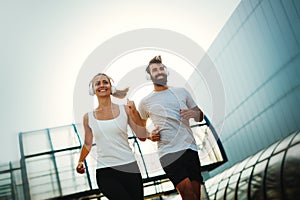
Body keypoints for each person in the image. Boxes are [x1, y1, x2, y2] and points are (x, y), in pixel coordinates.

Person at [138, 55, 204, 200]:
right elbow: (141, 132)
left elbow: (200, 116)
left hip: (190, 148)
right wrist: (150, 135)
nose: (159, 71)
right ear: (149, 76)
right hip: (168, 152)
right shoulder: (145, 102)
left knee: (196, 196)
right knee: (188, 196)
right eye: (154, 70)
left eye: (161, 68)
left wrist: (193, 113)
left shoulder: (182, 91)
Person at [76, 73, 147, 200]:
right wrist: (81, 161)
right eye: (97, 83)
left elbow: (142, 136)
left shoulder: (126, 109)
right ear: (92, 90)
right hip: (105, 171)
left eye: (105, 82)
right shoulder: (88, 117)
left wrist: (134, 112)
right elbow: (87, 143)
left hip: (130, 167)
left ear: (111, 87)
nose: (102, 85)